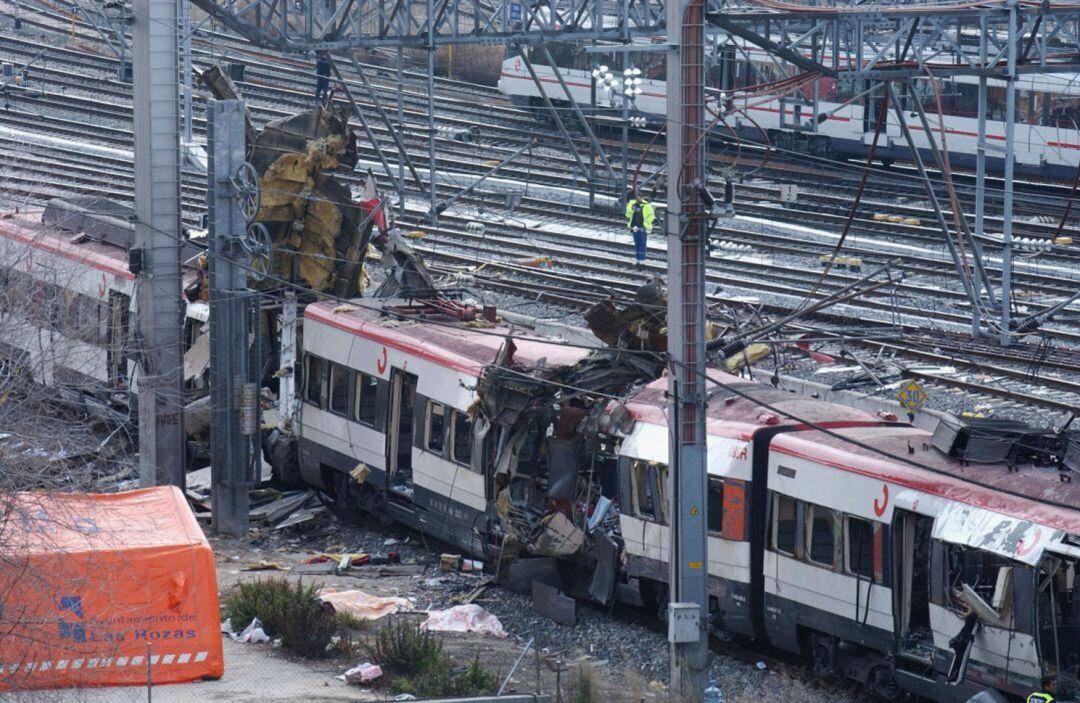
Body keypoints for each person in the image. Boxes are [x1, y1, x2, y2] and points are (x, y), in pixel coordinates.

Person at [624, 190, 654, 269]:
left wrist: (645, 224)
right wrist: (631, 209)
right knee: (637, 244)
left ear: (642, 197)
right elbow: (627, 214)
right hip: (635, 228)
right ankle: (637, 259)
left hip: (643, 228)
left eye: (639, 197)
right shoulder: (632, 204)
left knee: (642, 244)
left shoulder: (646, 205)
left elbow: (651, 216)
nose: (638, 199)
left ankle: (642, 260)